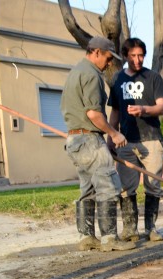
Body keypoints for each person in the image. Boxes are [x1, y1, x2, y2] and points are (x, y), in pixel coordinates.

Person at [60, 37, 134, 252]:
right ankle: (110, 239)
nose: (109, 63)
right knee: (108, 187)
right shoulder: (91, 75)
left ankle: (86, 237)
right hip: (90, 140)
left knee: (88, 189)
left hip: (74, 140)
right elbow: (93, 113)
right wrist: (113, 133)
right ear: (97, 52)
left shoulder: (75, 72)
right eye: (109, 58)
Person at [108, 37, 163, 242]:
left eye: (141, 55)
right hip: (125, 141)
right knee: (126, 187)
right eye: (133, 56)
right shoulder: (117, 79)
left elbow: (162, 107)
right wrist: (111, 137)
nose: (137, 59)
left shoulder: (153, 78)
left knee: (153, 185)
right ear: (125, 56)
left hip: (151, 139)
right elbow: (115, 111)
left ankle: (151, 228)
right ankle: (130, 229)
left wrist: (143, 109)